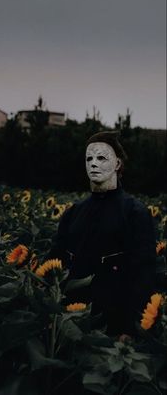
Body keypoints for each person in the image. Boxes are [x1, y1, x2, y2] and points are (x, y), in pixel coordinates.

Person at [50, 131, 157, 336]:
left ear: (117, 164)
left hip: (113, 326)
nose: (93, 164)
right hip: (69, 324)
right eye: (89, 158)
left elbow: (144, 276)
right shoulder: (74, 212)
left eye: (101, 158)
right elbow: (56, 259)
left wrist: (130, 329)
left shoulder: (135, 212)